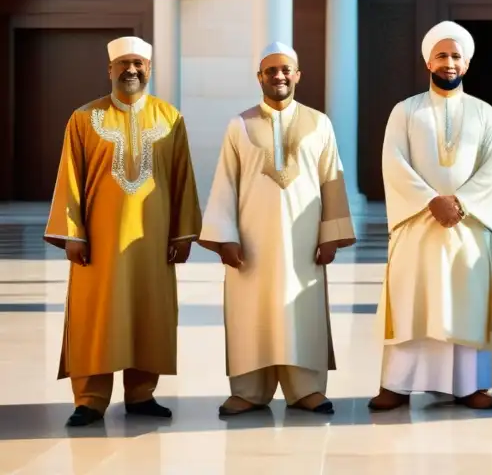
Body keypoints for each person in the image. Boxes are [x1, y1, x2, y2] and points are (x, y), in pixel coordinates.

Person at [43, 36, 202, 427]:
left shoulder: (170, 118)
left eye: (139, 63)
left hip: (152, 242)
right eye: (124, 64)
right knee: (95, 316)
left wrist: (182, 235)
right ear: (110, 69)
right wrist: (73, 233)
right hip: (99, 244)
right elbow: (71, 178)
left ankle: (142, 394)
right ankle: (90, 399)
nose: (131, 70)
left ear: (149, 68)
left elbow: (183, 178)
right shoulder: (84, 118)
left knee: (149, 312)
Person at [200, 42, 356, 417]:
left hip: (303, 244)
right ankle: (249, 391)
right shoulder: (239, 125)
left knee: (301, 312)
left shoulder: (320, 123)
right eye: (271, 70)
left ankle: (306, 390)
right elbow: (225, 183)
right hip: (251, 244)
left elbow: (332, 181)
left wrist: (330, 235)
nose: (279, 76)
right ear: (260, 77)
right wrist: (225, 237)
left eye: (286, 69)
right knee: (250, 312)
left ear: (298, 75)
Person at [369, 21, 492, 412]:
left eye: (456, 57)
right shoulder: (406, 111)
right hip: (418, 225)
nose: (449, 63)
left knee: (464, 303)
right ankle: (397, 384)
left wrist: (461, 202)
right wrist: (430, 200)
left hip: (467, 227)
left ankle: (469, 385)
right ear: (428, 60)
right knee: (412, 301)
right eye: (441, 55)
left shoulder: (484, 113)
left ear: (466, 65)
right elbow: (393, 162)